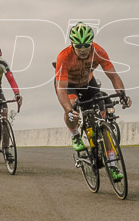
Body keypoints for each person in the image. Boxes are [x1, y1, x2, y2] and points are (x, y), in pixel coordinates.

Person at [54, 23, 131, 180]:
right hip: (69, 86)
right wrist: (69, 110)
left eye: (86, 46)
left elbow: (113, 76)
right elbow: (61, 88)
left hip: (89, 83)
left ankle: (112, 165)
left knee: (103, 120)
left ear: (91, 43)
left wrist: (122, 94)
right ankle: (75, 135)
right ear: (72, 44)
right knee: (73, 109)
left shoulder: (99, 51)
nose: (83, 49)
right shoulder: (64, 56)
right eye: (79, 46)